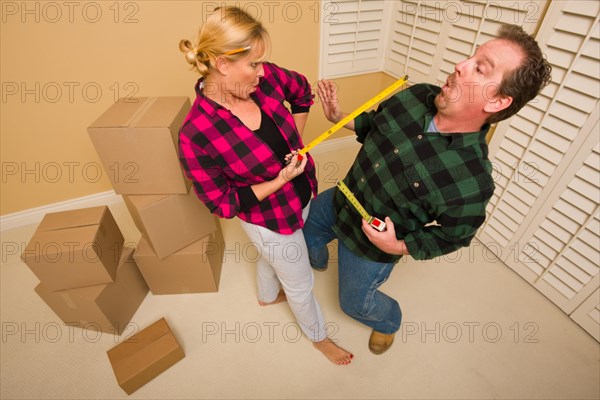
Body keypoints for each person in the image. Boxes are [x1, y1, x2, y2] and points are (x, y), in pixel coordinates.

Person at [304, 24, 552, 355]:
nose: (460, 65)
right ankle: (315, 262)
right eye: (471, 57)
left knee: (353, 304)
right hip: (342, 198)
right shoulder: (414, 95)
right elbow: (373, 124)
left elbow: (454, 236)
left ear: (497, 100)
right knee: (306, 229)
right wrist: (338, 115)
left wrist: (398, 246)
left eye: (480, 68)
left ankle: (388, 321)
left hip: (371, 247)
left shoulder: (472, 180)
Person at [177, 6, 353, 365]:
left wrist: (296, 144)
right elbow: (223, 203)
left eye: (261, 63)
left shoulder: (266, 78)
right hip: (268, 218)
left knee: (273, 257)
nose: (262, 72)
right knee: (300, 281)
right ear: (223, 64)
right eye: (253, 64)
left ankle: (267, 295)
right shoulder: (196, 134)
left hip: (302, 192)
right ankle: (319, 338)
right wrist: (277, 181)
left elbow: (302, 91)